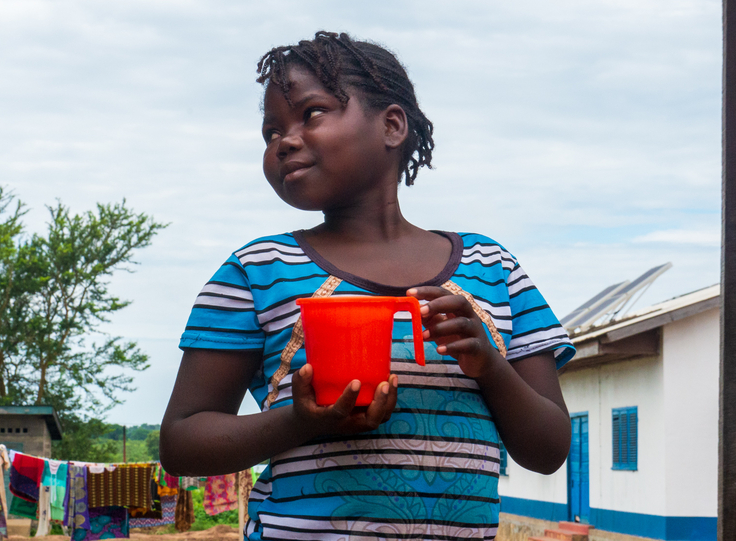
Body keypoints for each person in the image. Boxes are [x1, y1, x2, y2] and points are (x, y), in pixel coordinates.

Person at [160, 31, 575, 541]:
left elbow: (549, 449)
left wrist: (489, 363)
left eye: (311, 113)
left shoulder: (494, 270)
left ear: (392, 125)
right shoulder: (258, 269)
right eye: (270, 132)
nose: (284, 141)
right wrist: (302, 422)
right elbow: (181, 443)